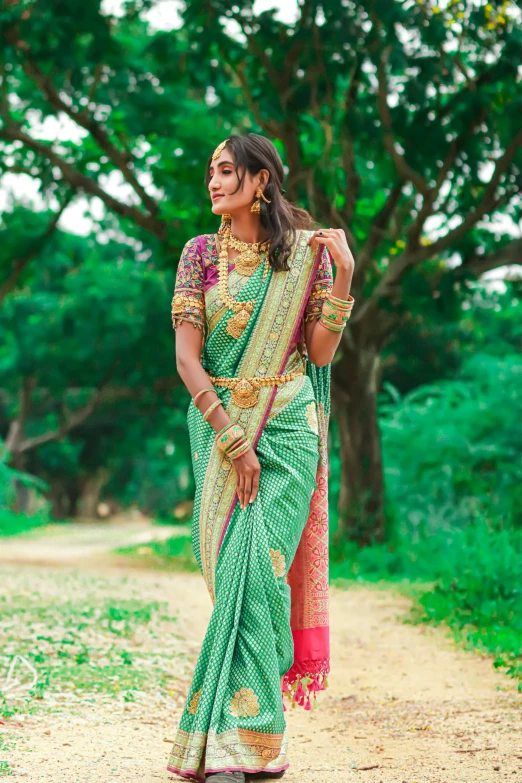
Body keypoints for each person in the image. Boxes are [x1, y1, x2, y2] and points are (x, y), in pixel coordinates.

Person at [167, 134, 355, 782]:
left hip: (290, 429)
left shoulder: (307, 255)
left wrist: (346, 278)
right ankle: (251, 736)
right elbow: (188, 357)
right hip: (222, 432)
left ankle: (246, 741)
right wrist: (230, 434)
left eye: (225, 170)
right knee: (232, 572)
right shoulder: (199, 256)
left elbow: (321, 352)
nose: (213, 181)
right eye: (211, 170)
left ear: (260, 181)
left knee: (262, 571)